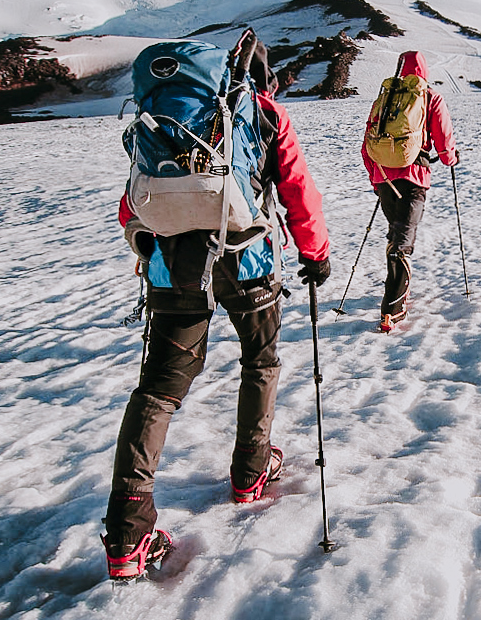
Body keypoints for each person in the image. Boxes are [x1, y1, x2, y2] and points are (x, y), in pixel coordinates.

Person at [103, 46, 331, 581]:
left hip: (171, 265)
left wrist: (155, 250)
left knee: (158, 388)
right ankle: (251, 472)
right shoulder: (262, 113)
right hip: (245, 257)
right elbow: (297, 190)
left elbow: (132, 202)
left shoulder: (162, 116)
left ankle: (128, 534)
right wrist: (315, 254)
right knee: (260, 360)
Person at [360, 51, 458, 332]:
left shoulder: (385, 99)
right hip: (413, 178)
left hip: (383, 179)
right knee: (401, 243)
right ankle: (393, 307)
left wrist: (375, 178)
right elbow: (444, 143)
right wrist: (451, 158)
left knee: (397, 234)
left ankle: (398, 290)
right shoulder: (429, 97)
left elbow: (367, 141)